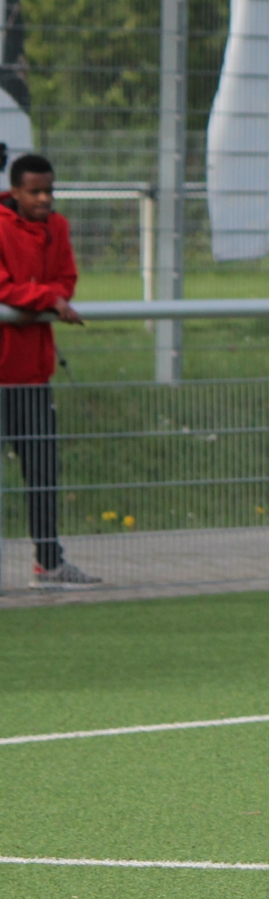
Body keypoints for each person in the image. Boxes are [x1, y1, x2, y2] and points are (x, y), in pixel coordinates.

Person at [0, 153, 97, 588]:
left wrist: (43, 300)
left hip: (35, 376)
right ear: (15, 191)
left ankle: (49, 563)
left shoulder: (58, 227)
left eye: (49, 190)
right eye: (34, 191)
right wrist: (44, 300)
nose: (44, 199)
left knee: (43, 471)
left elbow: (66, 279)